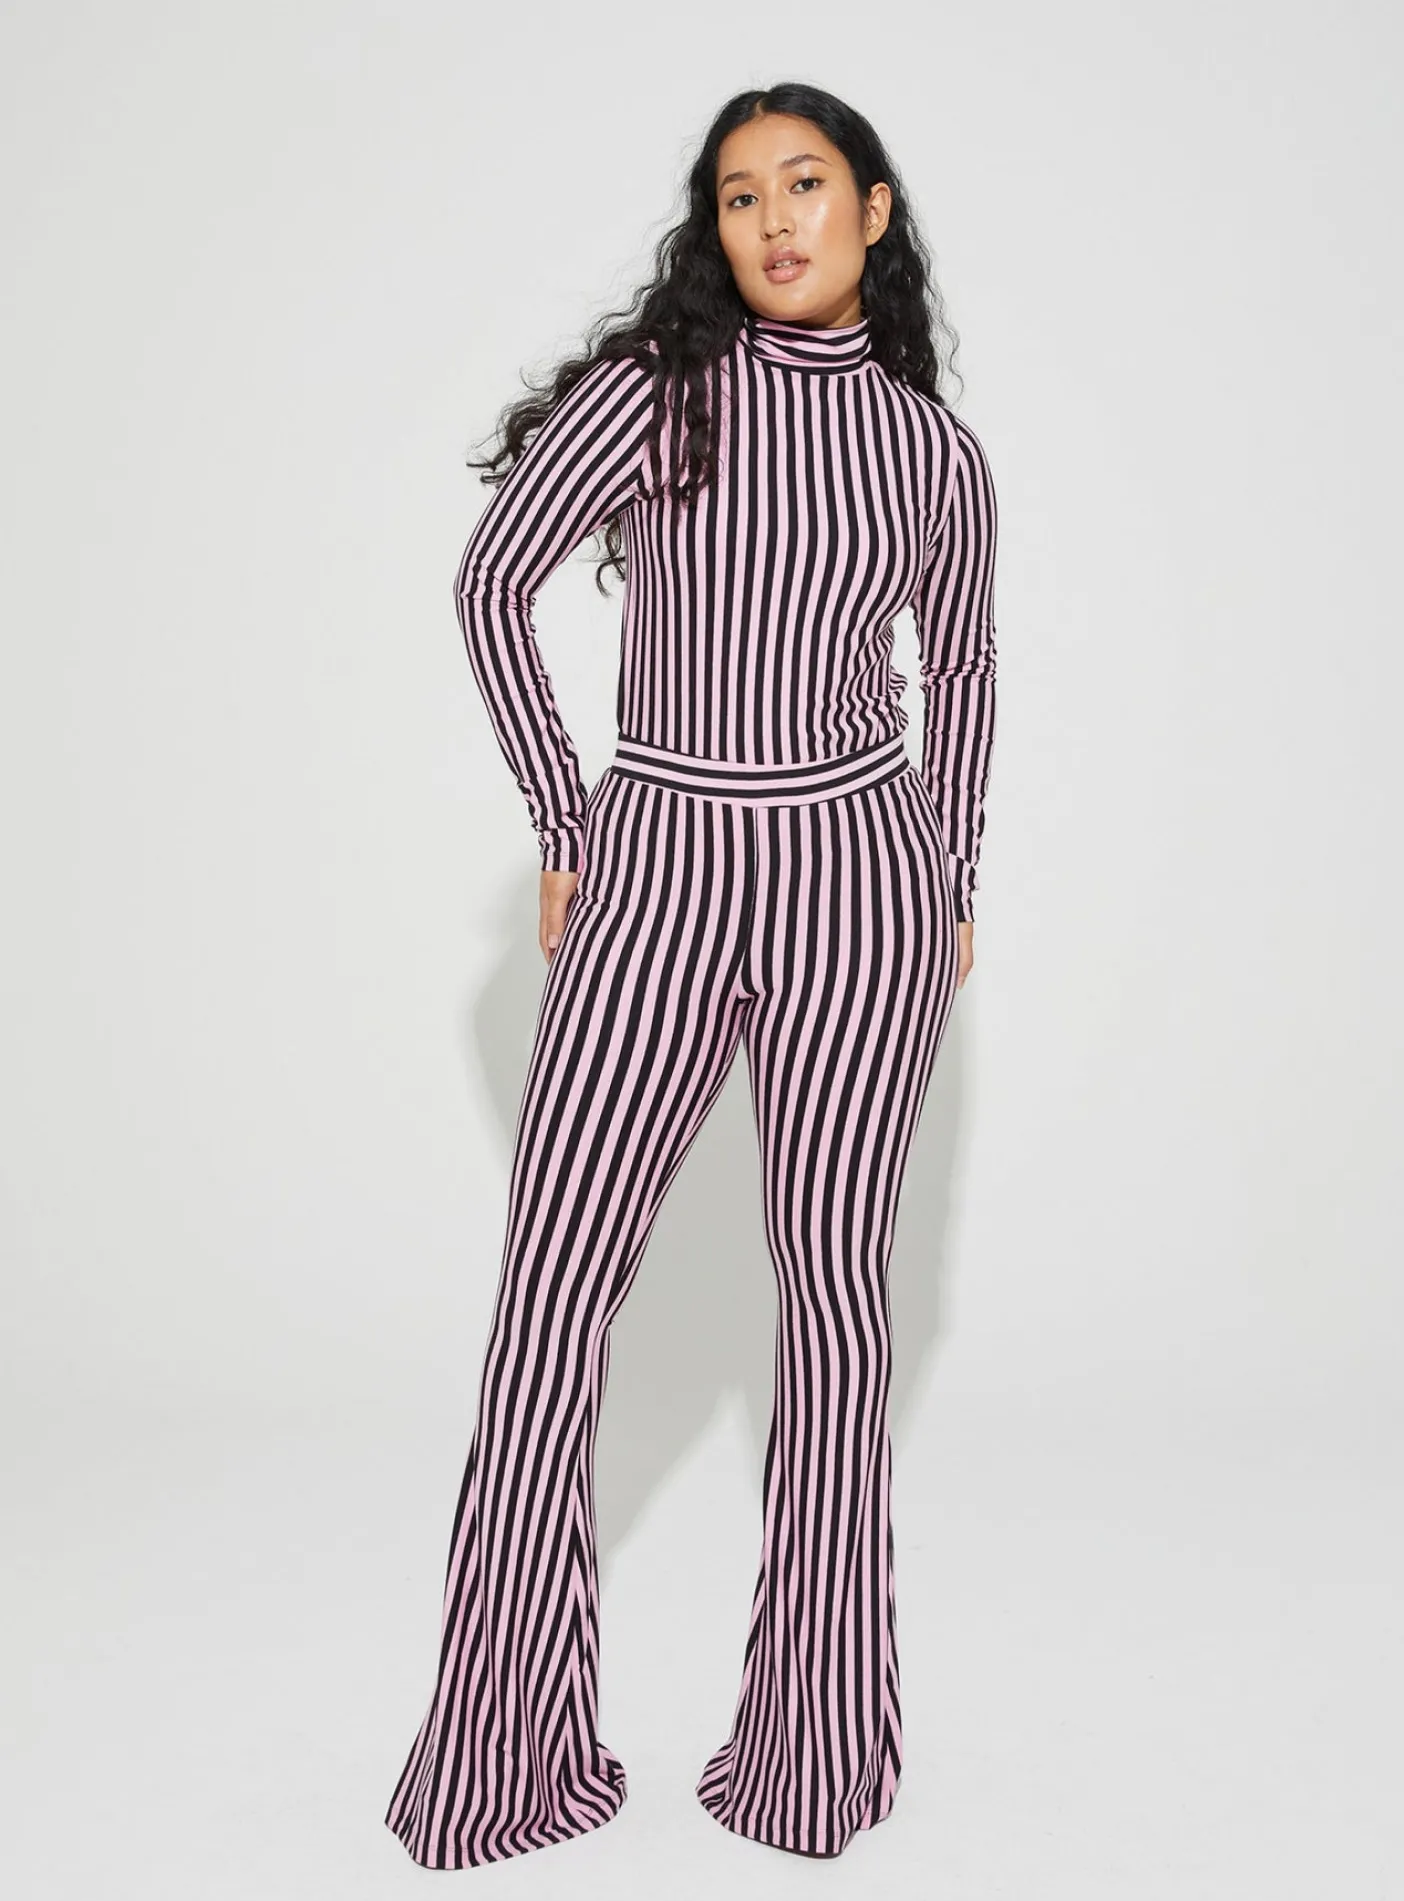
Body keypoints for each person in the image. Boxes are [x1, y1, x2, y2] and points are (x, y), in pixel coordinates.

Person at [384, 79, 999, 1868]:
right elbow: (491, 582)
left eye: (806, 185)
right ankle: (501, 1762)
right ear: (715, 228)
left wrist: (949, 873)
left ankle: (814, 1759)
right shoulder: (658, 395)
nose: (775, 219)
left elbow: (961, 672)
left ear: (872, 211)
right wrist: (566, 819)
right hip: (654, 861)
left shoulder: (935, 454)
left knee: (836, 1308)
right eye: (740, 195)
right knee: (551, 1298)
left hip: (858, 883)